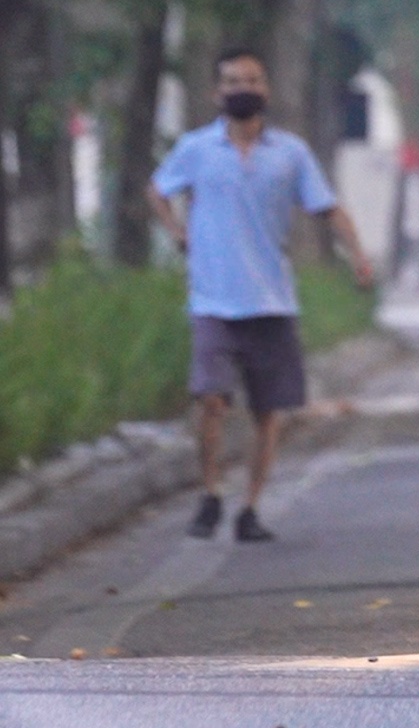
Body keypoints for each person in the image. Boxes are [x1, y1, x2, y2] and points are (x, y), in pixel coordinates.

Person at [148, 48, 376, 543]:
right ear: (217, 93)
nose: (242, 88)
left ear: (266, 89)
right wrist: (176, 232)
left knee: (268, 412)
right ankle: (211, 493)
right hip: (213, 300)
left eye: (251, 80)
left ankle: (250, 507)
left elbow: (328, 208)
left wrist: (358, 256)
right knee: (210, 400)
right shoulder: (196, 149)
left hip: (271, 300)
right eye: (232, 81)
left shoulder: (290, 154)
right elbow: (158, 189)